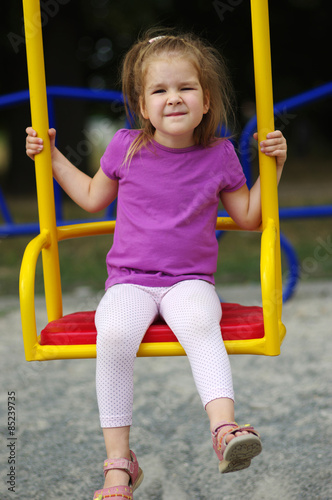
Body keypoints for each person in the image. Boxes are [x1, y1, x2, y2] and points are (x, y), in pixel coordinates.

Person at [26, 30, 287, 500]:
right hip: (129, 280)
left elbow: (249, 217)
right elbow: (90, 198)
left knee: (200, 322)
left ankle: (224, 430)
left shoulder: (220, 154)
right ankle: (118, 464)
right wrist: (51, 157)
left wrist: (276, 168)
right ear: (142, 106)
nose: (173, 99)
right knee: (117, 331)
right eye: (159, 91)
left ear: (206, 101)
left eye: (186, 88)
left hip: (190, 281)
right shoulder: (126, 147)